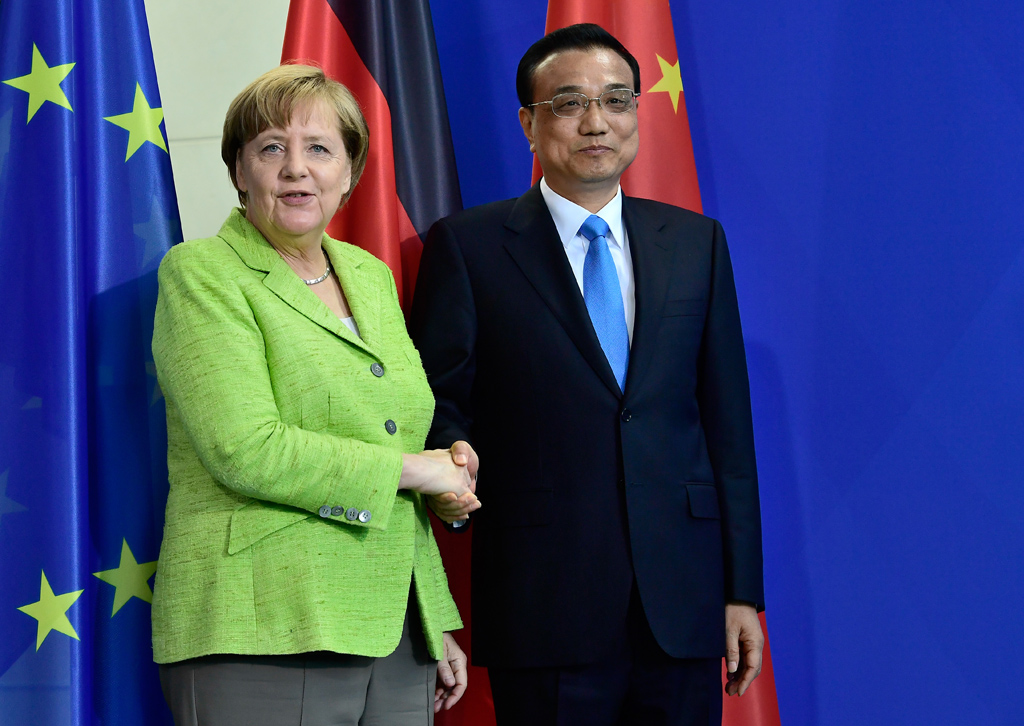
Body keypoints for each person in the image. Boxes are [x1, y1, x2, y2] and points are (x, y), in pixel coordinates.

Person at [410, 23, 764, 725]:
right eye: (570, 103)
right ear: (530, 124)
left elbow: (727, 431)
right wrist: (453, 466)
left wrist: (740, 591)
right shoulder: (470, 247)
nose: (596, 121)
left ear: (637, 112)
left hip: (683, 607)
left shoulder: (696, 243)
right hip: (546, 602)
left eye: (616, 100)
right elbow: (438, 403)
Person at [150, 64, 481, 725]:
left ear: (349, 174)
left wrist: (432, 615)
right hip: (260, 628)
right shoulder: (201, 273)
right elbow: (246, 449)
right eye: (271, 147)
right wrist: (420, 469)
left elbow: (396, 435)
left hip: (394, 636)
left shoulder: (369, 274)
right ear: (240, 171)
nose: (296, 168)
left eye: (319, 148)